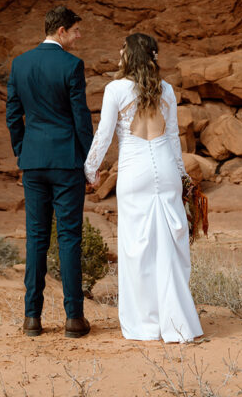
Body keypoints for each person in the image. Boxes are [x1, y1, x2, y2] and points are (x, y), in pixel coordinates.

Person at [84, 33, 202, 343]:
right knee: (169, 248)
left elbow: (105, 135)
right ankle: (176, 323)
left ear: (130, 55)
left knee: (137, 249)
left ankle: (146, 325)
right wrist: (183, 177)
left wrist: (90, 168)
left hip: (134, 170)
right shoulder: (166, 90)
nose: (119, 56)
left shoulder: (115, 89)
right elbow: (174, 138)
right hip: (165, 168)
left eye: (122, 50)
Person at [6, 5, 94, 339]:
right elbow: (80, 119)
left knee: (36, 239)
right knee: (69, 238)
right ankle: (74, 319)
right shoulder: (72, 65)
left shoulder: (20, 64)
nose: (78, 36)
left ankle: (32, 319)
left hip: (34, 162)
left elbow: (13, 115)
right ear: (60, 31)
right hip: (66, 161)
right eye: (75, 30)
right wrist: (88, 161)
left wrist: (21, 152)